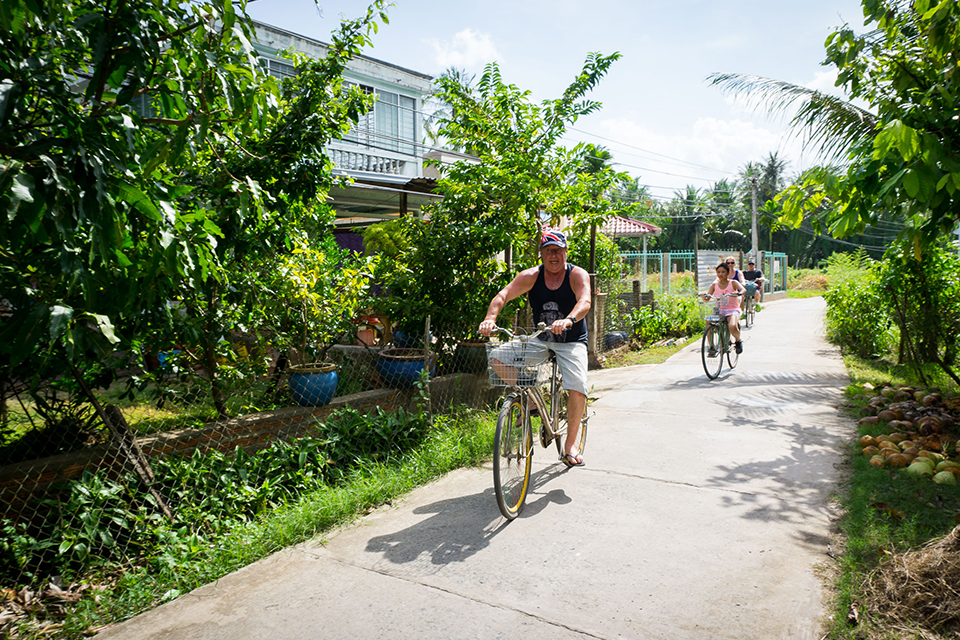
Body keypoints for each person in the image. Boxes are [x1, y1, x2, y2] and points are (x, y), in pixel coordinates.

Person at [479, 230, 591, 468]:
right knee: (497, 357)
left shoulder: (576, 274)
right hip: (541, 338)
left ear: (565, 252)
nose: (554, 255)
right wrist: (490, 318)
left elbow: (585, 301)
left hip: (571, 341)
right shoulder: (531, 276)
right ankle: (530, 398)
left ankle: (570, 445)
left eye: (558, 250)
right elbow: (503, 295)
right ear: (541, 254)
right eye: (549, 250)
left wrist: (569, 319)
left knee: (577, 385)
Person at [702, 262, 745, 354]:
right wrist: (704, 296)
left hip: (732, 309)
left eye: (723, 272)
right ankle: (712, 347)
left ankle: (738, 340)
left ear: (728, 273)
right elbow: (707, 298)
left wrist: (739, 293)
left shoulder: (733, 283)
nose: (720, 274)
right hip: (720, 310)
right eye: (718, 272)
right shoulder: (714, 285)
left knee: (732, 326)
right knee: (708, 323)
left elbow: (743, 289)